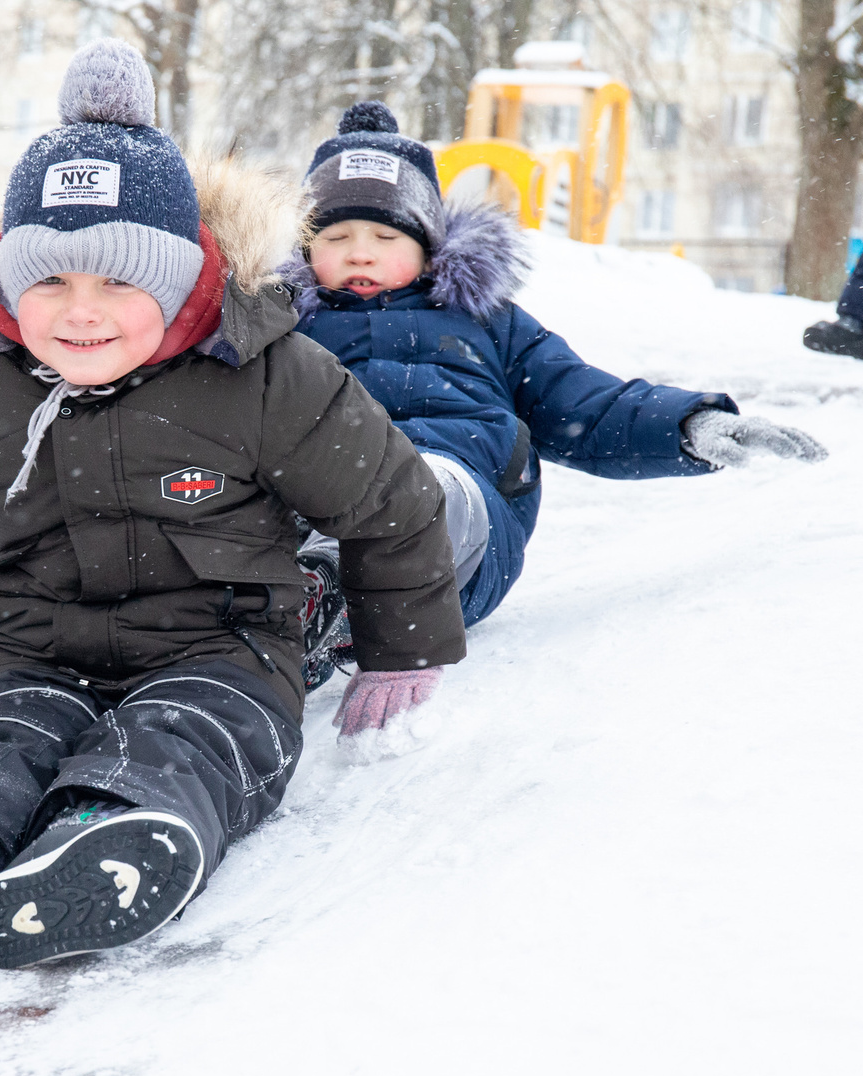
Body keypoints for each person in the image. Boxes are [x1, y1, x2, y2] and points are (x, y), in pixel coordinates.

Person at [0, 42, 465, 972]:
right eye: (50, 281)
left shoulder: (265, 376)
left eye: (120, 281)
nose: (82, 311)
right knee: (5, 736)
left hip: (222, 649)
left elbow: (388, 502)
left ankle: (103, 842)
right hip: (35, 644)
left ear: (183, 278)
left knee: (184, 739)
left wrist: (403, 648)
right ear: (2, 280)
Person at [285, 102, 829, 685]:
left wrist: (688, 425)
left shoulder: (484, 320)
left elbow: (585, 402)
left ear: (428, 246)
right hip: (320, 490)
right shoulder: (279, 324)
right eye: (336, 236)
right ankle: (287, 607)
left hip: (457, 498)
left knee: (420, 491)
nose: (359, 251)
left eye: (384, 235)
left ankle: (330, 592)